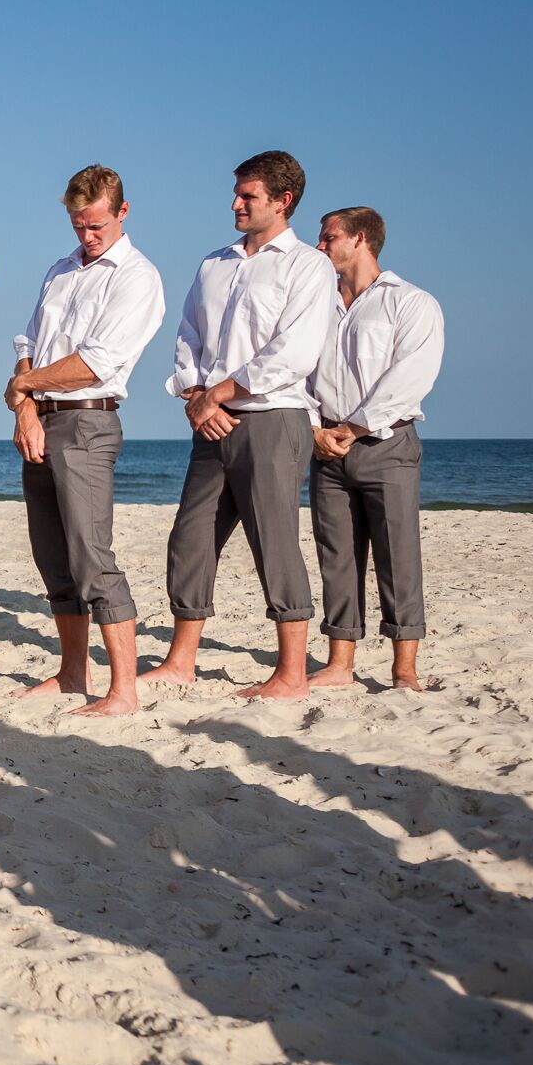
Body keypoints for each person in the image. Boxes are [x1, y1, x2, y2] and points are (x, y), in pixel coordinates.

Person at [144, 151, 333, 698]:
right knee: (190, 539)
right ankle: (181, 661)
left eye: (248, 196)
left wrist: (218, 393)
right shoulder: (214, 263)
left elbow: (293, 352)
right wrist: (197, 395)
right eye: (237, 193)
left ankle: (292, 674)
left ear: (282, 201)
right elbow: (187, 337)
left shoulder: (307, 266)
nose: (236, 204)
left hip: (273, 420)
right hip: (212, 422)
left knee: (273, 541)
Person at [3, 165, 165, 717]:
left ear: (122, 211)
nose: (87, 236)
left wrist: (24, 383)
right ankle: (73, 673)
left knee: (93, 558)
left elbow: (94, 363)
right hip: (40, 422)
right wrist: (25, 407)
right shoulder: (60, 269)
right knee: (53, 558)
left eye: (96, 225)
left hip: (88, 422)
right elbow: (28, 341)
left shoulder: (137, 277)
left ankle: (124, 691)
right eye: (78, 226)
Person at [307, 206, 444, 690]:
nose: (319, 247)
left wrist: (356, 427)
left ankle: (404, 668)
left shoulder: (411, 303)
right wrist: (314, 429)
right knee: (336, 556)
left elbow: (410, 378)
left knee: (398, 555)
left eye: (328, 238)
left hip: (387, 445)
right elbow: (297, 371)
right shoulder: (316, 304)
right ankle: (340, 663)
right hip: (325, 448)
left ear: (360, 238)